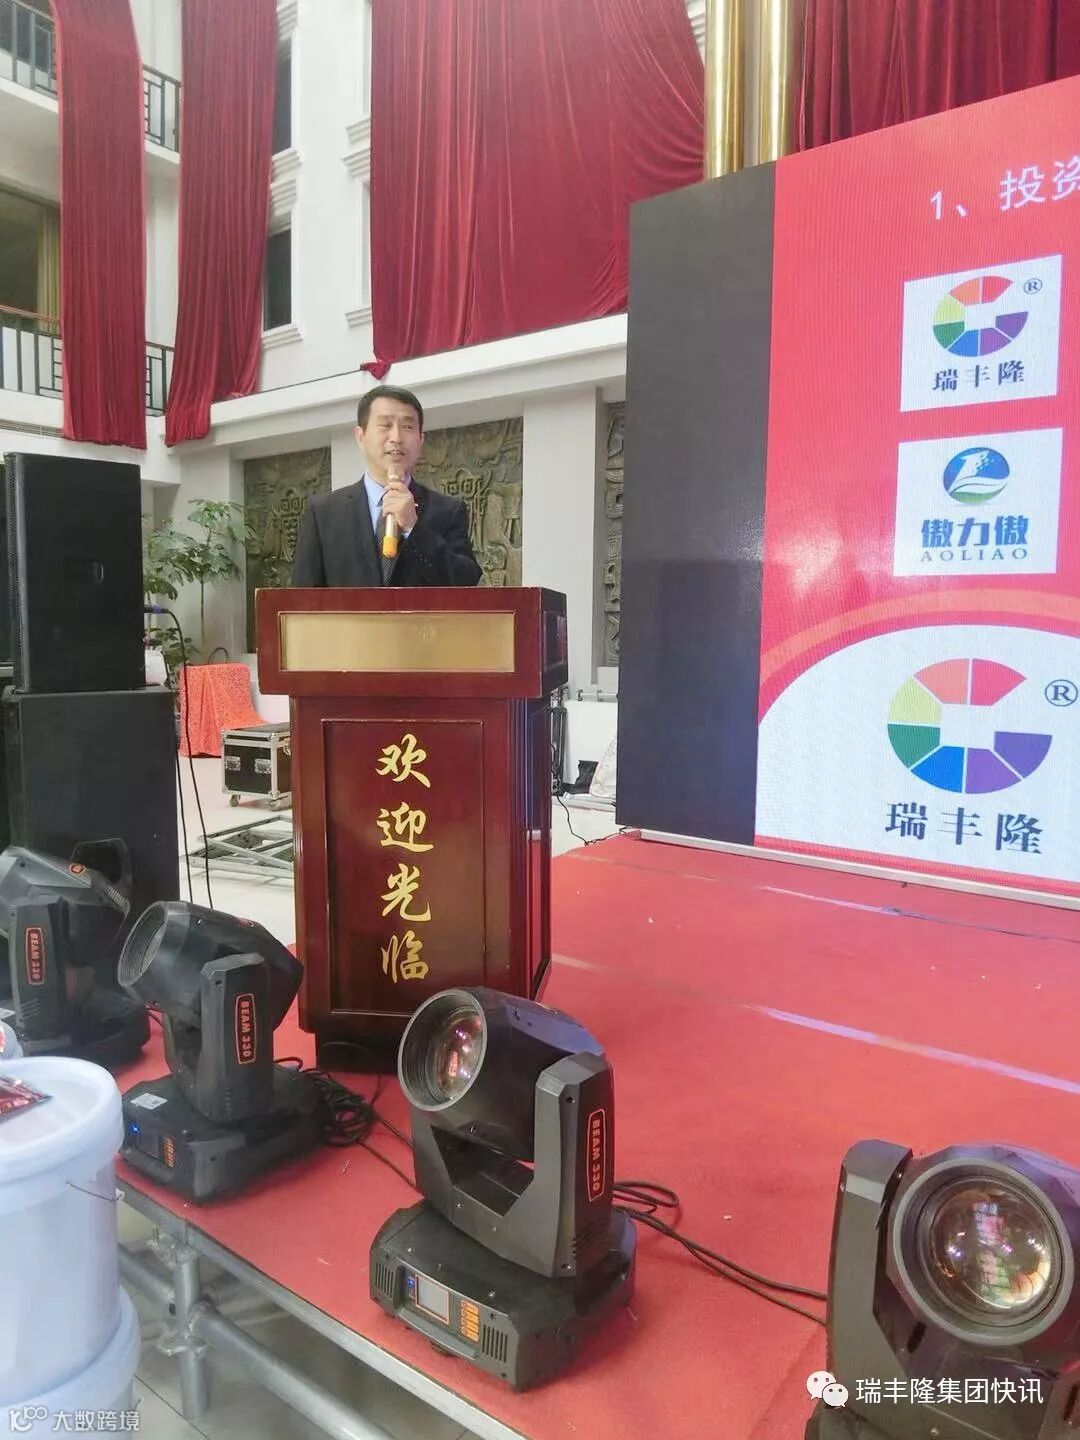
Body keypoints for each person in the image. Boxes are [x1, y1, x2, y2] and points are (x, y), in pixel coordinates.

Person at [291, 385, 481, 588]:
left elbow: (466, 583)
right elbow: (303, 598)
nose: (396, 437)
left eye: (407, 427)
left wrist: (413, 528)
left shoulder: (448, 511)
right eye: (385, 425)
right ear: (360, 436)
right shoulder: (323, 513)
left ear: (420, 440)